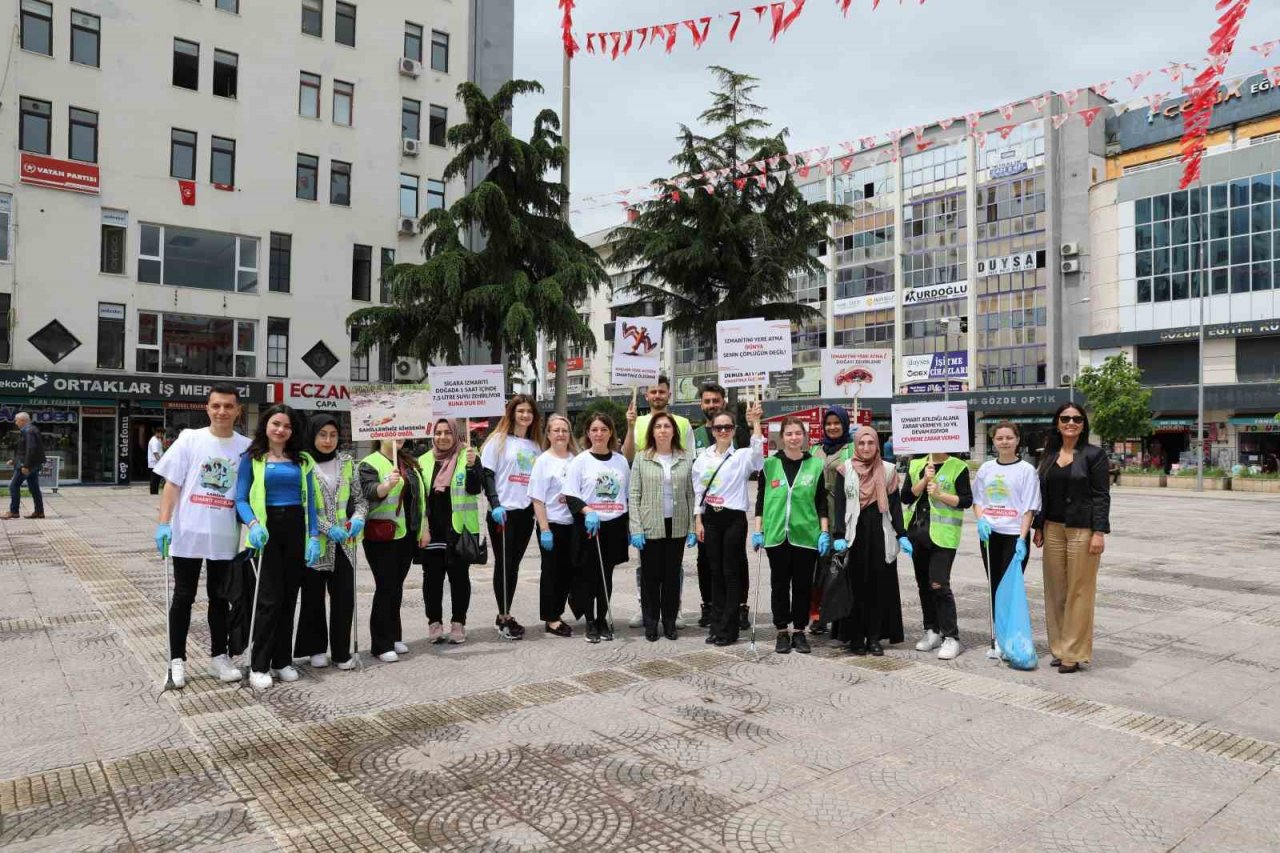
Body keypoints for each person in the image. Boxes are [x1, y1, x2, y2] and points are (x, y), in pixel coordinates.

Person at [152, 384, 250, 688]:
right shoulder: (190, 439)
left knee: (220, 599)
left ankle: (219, 657)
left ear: (238, 410)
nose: (222, 411)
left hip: (224, 536)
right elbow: (172, 484)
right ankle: (176, 660)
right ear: (207, 408)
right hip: (188, 533)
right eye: (216, 406)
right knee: (183, 597)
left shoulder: (247, 447)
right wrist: (163, 523)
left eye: (228, 406)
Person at [235, 404, 321, 691]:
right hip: (267, 531)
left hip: (296, 528)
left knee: (289, 598)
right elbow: (241, 499)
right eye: (276, 424)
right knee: (269, 600)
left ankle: (282, 660)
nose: (281, 430)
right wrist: (254, 524)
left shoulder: (304, 459)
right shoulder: (253, 458)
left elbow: (311, 501)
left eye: (286, 426)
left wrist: (313, 537)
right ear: (266, 426)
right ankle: (259, 665)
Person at [1033, 403, 1110, 674]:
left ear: (1083, 424)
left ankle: (1073, 653)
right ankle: (1059, 647)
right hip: (1052, 529)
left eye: (1077, 419)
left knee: (1079, 591)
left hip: (1082, 529)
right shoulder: (1048, 456)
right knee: (1055, 590)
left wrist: (1099, 532)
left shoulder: (1094, 455)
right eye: (1065, 418)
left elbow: (1101, 495)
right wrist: (1038, 527)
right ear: (1057, 423)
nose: (1071, 423)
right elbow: (1041, 494)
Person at [753, 417, 830, 655]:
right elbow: (760, 500)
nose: (794, 438)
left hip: (805, 535)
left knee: (802, 586)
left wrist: (824, 532)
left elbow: (821, 502)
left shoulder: (815, 465)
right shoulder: (769, 464)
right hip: (776, 535)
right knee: (779, 585)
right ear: (782, 437)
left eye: (798, 433)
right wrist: (758, 530)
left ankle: (799, 631)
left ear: (804, 436)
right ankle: (781, 632)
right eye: (789, 434)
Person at [294, 415, 367, 670]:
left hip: (345, 543)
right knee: (313, 597)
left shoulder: (347, 462)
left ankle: (340, 651)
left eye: (333, 435)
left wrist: (358, 518)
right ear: (312, 435)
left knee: (344, 598)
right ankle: (315, 648)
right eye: (322, 434)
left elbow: (360, 500)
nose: (327, 440)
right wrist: (326, 528)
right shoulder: (303, 463)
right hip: (316, 542)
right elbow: (303, 505)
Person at [622, 375, 693, 630]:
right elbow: (627, 457)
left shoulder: (683, 423)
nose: (657, 395)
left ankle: (676, 611)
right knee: (647, 569)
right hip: (649, 513)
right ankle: (646, 610)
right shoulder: (638, 421)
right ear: (646, 395)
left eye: (661, 391)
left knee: (674, 570)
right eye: (652, 391)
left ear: (669, 394)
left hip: (676, 514)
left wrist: (693, 523)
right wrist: (629, 427)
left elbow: (690, 470)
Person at [831, 426, 908, 656]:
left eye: (871, 443)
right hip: (854, 535)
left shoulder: (888, 470)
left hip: (880, 534)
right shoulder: (845, 470)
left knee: (878, 586)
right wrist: (838, 535)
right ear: (856, 445)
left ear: (877, 444)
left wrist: (902, 533)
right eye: (862, 443)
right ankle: (855, 636)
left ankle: (874, 637)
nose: (866, 448)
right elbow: (840, 505)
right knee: (856, 586)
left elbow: (894, 505)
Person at [693, 403, 764, 646]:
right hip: (711, 518)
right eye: (718, 427)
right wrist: (698, 520)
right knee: (715, 573)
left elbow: (758, 458)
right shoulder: (702, 458)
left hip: (733, 519)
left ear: (734, 430)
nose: (723, 431)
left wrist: (755, 422)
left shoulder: (742, 456)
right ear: (712, 430)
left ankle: (729, 627)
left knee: (731, 572)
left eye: (727, 427)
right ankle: (716, 624)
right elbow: (698, 490)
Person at [973, 421, 1041, 660]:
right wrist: (981, 520)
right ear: (993, 442)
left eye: (1009, 438)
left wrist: (1022, 538)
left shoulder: (1026, 471)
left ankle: (1013, 636)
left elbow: (1029, 508)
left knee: (1010, 589)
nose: (1004, 442)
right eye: (999, 438)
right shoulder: (986, 469)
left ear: (1017, 440)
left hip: (1014, 536)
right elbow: (978, 500)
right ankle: (999, 639)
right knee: (994, 587)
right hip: (990, 536)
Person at [563, 413, 631, 643]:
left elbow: (628, 493)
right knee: (588, 577)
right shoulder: (580, 460)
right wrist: (588, 511)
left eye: (603, 429)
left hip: (614, 524)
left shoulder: (620, 461)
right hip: (590, 525)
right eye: (594, 430)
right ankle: (590, 621)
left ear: (611, 432)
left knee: (606, 576)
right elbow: (570, 495)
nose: (599, 434)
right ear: (588, 433)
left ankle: (602, 618)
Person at [481, 395, 544, 639]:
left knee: (514, 565)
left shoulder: (535, 446)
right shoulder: (497, 441)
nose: (525, 415)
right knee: (504, 563)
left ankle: (505, 612)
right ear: (512, 414)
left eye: (529, 411)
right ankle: (503, 617)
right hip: (502, 513)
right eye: (520, 411)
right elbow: (488, 475)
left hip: (525, 513)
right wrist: (495, 504)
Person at [359, 439, 427, 662]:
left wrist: (423, 527)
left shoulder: (408, 462)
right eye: (391, 433)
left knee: (396, 587)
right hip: (381, 535)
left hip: (405, 534)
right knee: (386, 586)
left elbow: (419, 498)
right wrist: (386, 485)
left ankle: (394, 635)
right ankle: (381, 644)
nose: (396, 437)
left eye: (400, 433)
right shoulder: (369, 463)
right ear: (379, 436)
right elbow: (368, 491)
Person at [901, 447, 972, 661]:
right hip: (918, 533)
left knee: (939, 584)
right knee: (924, 585)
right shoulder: (916, 464)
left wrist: (940, 494)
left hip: (943, 536)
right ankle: (932, 630)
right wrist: (923, 480)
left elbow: (966, 500)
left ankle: (951, 636)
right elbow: (905, 497)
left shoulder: (958, 466)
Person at [415, 419, 482, 645]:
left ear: (456, 434)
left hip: (459, 530)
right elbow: (418, 499)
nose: (442, 437)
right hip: (431, 532)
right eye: (438, 432)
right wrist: (422, 528)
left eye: (447, 433)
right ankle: (434, 623)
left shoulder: (468, 455)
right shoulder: (422, 461)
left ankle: (458, 623)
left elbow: (475, 488)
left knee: (459, 579)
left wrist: (473, 467)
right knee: (431, 580)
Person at [529, 414, 579, 637]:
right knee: (551, 572)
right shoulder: (543, 461)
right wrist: (545, 529)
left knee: (569, 571)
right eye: (556, 430)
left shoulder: (576, 459)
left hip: (574, 524)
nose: (560, 434)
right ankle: (551, 618)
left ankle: (561, 611)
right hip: (552, 524)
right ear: (548, 434)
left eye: (564, 430)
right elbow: (537, 498)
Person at [809, 406, 854, 635]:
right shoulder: (815, 449)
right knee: (818, 569)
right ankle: (817, 616)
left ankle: (840, 615)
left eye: (837, 423)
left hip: (843, 514)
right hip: (815, 515)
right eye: (828, 423)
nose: (833, 427)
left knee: (839, 568)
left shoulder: (853, 448)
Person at [4, 413, 45, 520]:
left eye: (17, 420)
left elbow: (31, 449)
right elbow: (24, 449)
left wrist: (25, 465)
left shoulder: (28, 431)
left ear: (22, 420)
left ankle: (14, 512)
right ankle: (39, 512)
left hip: (27, 465)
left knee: (13, 486)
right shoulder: (32, 429)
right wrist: (14, 460)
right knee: (34, 488)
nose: (15, 422)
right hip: (33, 465)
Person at [148, 426, 167, 495]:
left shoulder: (158, 439)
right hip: (155, 464)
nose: (162, 436)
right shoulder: (154, 441)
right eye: (162, 434)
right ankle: (153, 493)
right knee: (154, 480)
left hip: (157, 463)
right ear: (158, 433)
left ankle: (155, 492)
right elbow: (155, 453)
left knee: (157, 479)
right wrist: (161, 462)